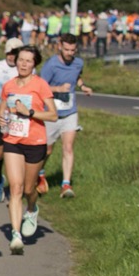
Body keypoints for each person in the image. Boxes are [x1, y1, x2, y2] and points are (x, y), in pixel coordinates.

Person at [0, 46, 58, 254]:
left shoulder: (40, 85)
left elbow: (53, 115)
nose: (23, 64)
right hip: (12, 141)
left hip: (35, 141)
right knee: (15, 188)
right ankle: (16, 235)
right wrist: (1, 119)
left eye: (28, 61)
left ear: (34, 64)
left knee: (28, 189)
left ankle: (32, 209)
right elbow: (2, 110)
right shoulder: (8, 86)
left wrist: (30, 112)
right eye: (21, 60)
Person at [40, 34, 92, 198]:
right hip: (51, 113)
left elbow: (76, 76)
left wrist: (82, 86)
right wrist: (58, 89)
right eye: (66, 49)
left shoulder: (78, 63)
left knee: (68, 147)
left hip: (70, 111)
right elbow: (40, 87)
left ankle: (66, 184)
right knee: (47, 150)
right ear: (60, 47)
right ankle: (40, 173)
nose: (69, 53)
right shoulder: (51, 65)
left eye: (72, 50)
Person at [0, 38, 24, 202]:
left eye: (15, 53)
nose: (11, 56)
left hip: (17, 116)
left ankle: (16, 187)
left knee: (15, 152)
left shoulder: (25, 69)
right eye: (9, 52)